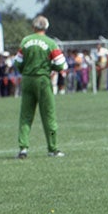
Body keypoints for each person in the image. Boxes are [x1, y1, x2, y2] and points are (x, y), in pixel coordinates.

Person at [14, 15, 67, 159]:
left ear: (33, 27)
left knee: (25, 116)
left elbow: (17, 62)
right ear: (46, 27)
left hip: (27, 80)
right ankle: (52, 148)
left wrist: (26, 70)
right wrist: (51, 67)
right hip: (43, 80)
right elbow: (61, 64)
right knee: (48, 115)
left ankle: (23, 148)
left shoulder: (25, 41)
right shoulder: (50, 43)